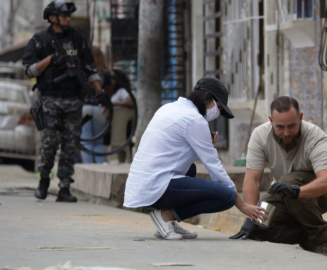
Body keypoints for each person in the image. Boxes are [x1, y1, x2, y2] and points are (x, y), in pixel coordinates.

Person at [123, 77, 267, 240]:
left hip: (144, 182)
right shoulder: (194, 120)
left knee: (190, 169)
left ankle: (167, 220)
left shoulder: (170, 108)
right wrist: (241, 204)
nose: (217, 113)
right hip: (157, 185)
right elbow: (214, 166)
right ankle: (166, 216)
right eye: (218, 107)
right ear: (206, 97)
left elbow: (176, 147)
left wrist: (206, 140)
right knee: (227, 196)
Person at [230, 96, 327, 257]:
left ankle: (321, 238)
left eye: (292, 126)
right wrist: (251, 218)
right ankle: (306, 235)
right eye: (280, 127)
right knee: (259, 226)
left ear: (300, 118)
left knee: (288, 181)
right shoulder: (260, 136)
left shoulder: (315, 136)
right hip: (284, 191)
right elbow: (252, 180)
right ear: (271, 121)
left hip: (325, 194)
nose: (286, 133)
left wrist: (295, 192)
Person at [22, 1, 104, 202]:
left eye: (69, 15)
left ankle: (64, 187)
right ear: (52, 18)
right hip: (50, 100)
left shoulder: (78, 39)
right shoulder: (40, 40)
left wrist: (100, 93)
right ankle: (43, 182)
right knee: (49, 143)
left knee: (69, 145)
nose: (68, 19)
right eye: (64, 15)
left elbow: (91, 69)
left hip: (74, 100)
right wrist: (50, 60)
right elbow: (29, 70)